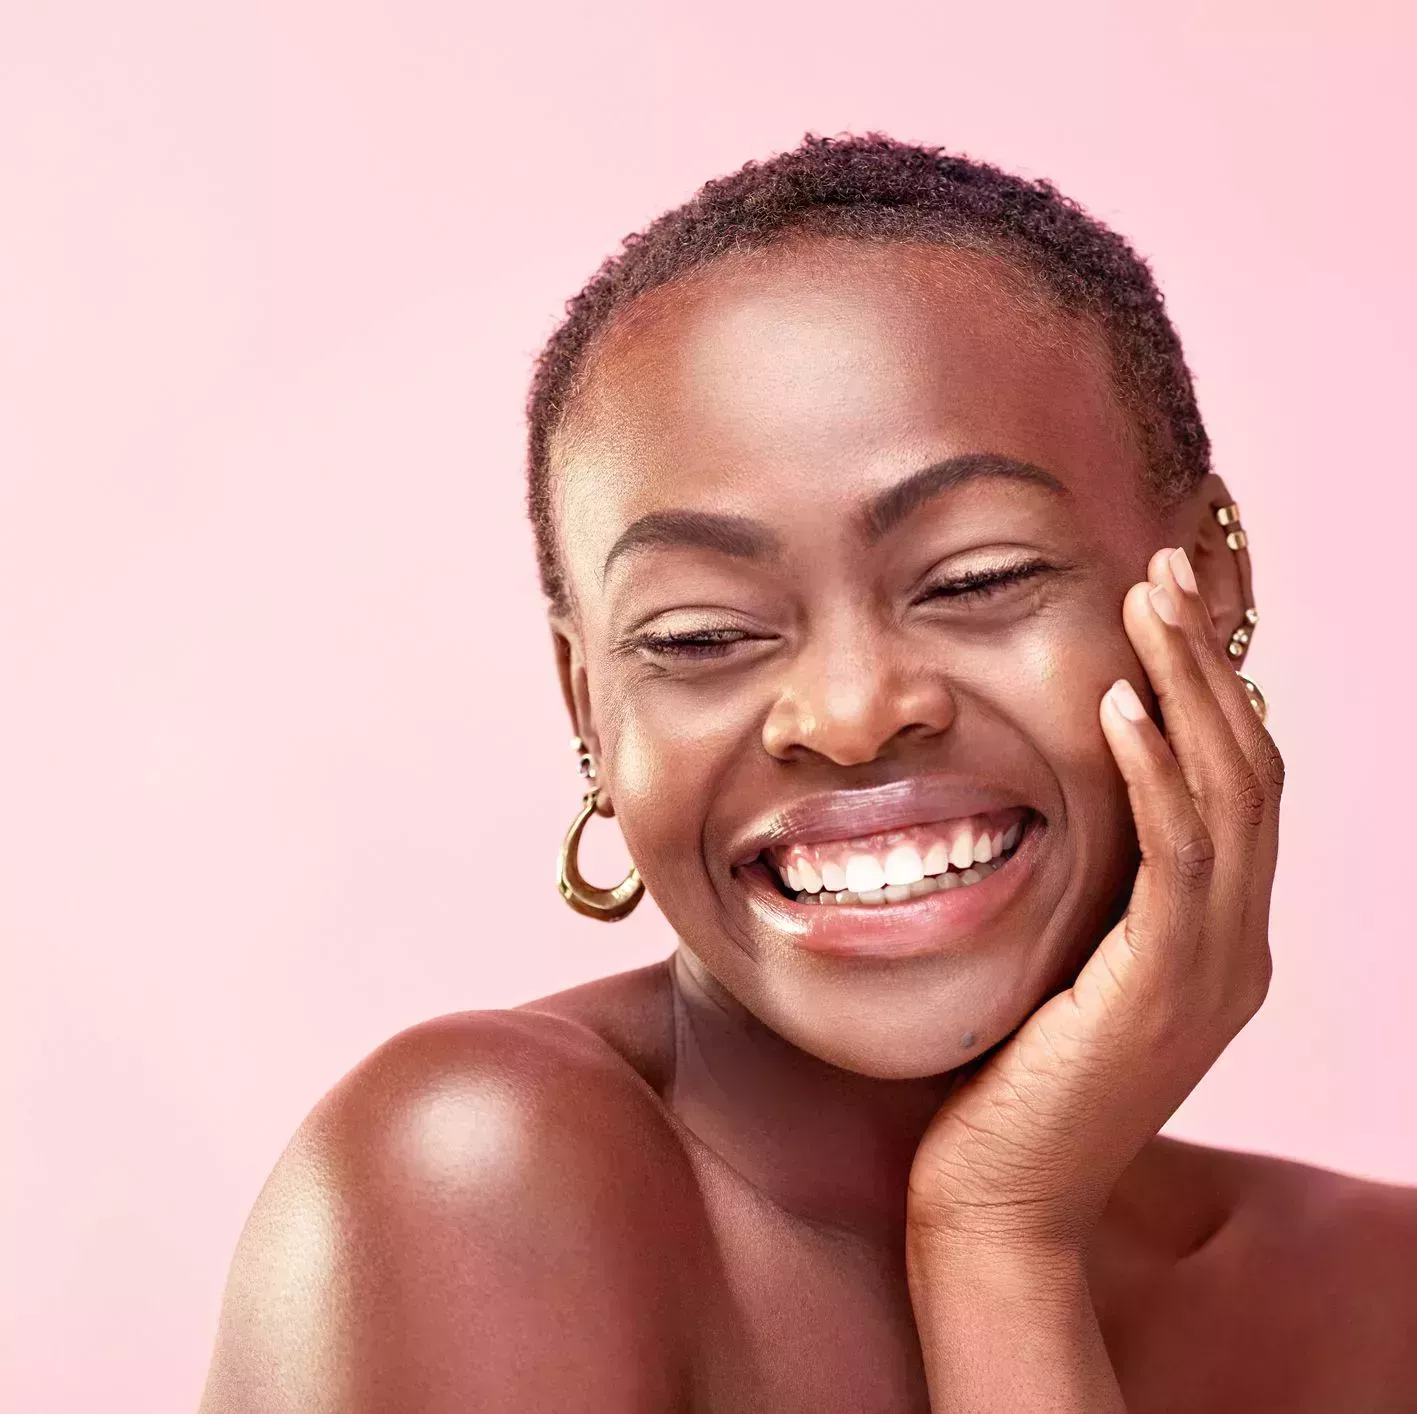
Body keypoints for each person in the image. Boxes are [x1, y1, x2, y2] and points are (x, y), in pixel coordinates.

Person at [199, 135, 1417, 1412]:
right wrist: (1000, 1236)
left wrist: (1003, 1234)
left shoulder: (1381, 1297)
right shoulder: (476, 1175)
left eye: (976, 579)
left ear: (1207, 582)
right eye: (700, 636)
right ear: (589, 702)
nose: (847, 715)